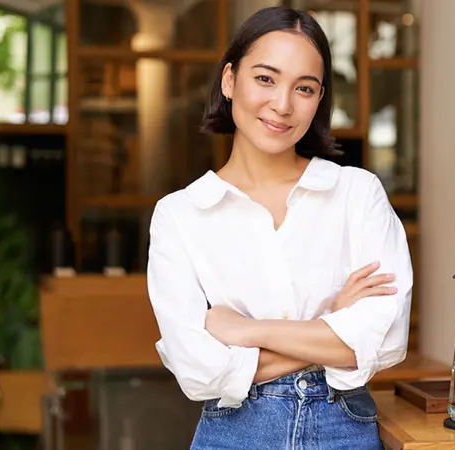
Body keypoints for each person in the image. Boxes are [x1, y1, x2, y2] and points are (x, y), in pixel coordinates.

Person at [146, 5, 413, 449]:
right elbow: (198, 372)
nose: (282, 105)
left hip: (342, 428)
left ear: (320, 99)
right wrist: (332, 326)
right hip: (233, 434)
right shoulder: (181, 214)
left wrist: (247, 332)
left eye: (304, 88)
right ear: (230, 81)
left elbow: (382, 341)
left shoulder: (356, 194)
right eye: (265, 79)